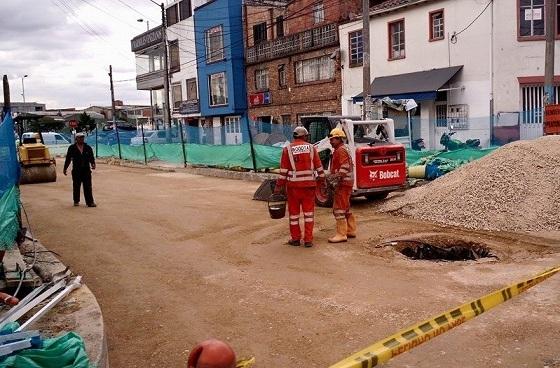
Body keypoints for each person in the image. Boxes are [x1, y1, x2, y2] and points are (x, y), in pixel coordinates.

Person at [275, 126, 325, 247]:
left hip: (293, 187)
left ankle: (296, 238)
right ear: (305, 136)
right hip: (309, 187)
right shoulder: (312, 148)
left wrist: (278, 187)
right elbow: (319, 167)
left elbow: (283, 171)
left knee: (294, 215)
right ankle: (308, 240)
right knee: (308, 214)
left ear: (294, 136)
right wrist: (322, 181)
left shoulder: (287, 149)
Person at [327, 128, 356, 243]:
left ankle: (341, 234)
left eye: (332, 139)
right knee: (346, 207)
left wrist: (335, 178)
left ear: (339, 139)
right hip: (347, 183)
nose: (330, 142)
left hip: (343, 184)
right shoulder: (343, 148)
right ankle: (351, 230)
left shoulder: (340, 150)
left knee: (338, 209)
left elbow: (344, 166)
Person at [63, 132, 96, 207]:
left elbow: (91, 157)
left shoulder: (88, 147)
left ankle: (90, 202)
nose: (81, 139)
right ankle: (76, 200)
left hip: (86, 170)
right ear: (76, 139)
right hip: (76, 171)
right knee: (76, 186)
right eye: (80, 137)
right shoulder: (72, 148)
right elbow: (68, 159)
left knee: (88, 186)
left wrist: (93, 163)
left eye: (82, 137)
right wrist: (65, 168)